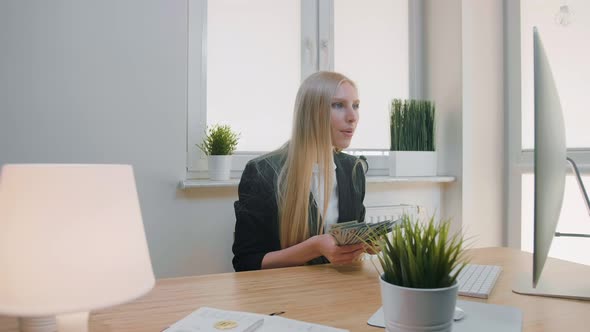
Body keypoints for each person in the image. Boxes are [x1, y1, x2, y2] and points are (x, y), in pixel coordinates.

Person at [232, 71, 368, 272]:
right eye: (338, 105)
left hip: (340, 292)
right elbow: (245, 263)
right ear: (312, 112)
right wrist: (314, 247)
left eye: (355, 105)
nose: (352, 117)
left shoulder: (353, 169)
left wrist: (364, 245)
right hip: (283, 296)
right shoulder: (262, 172)